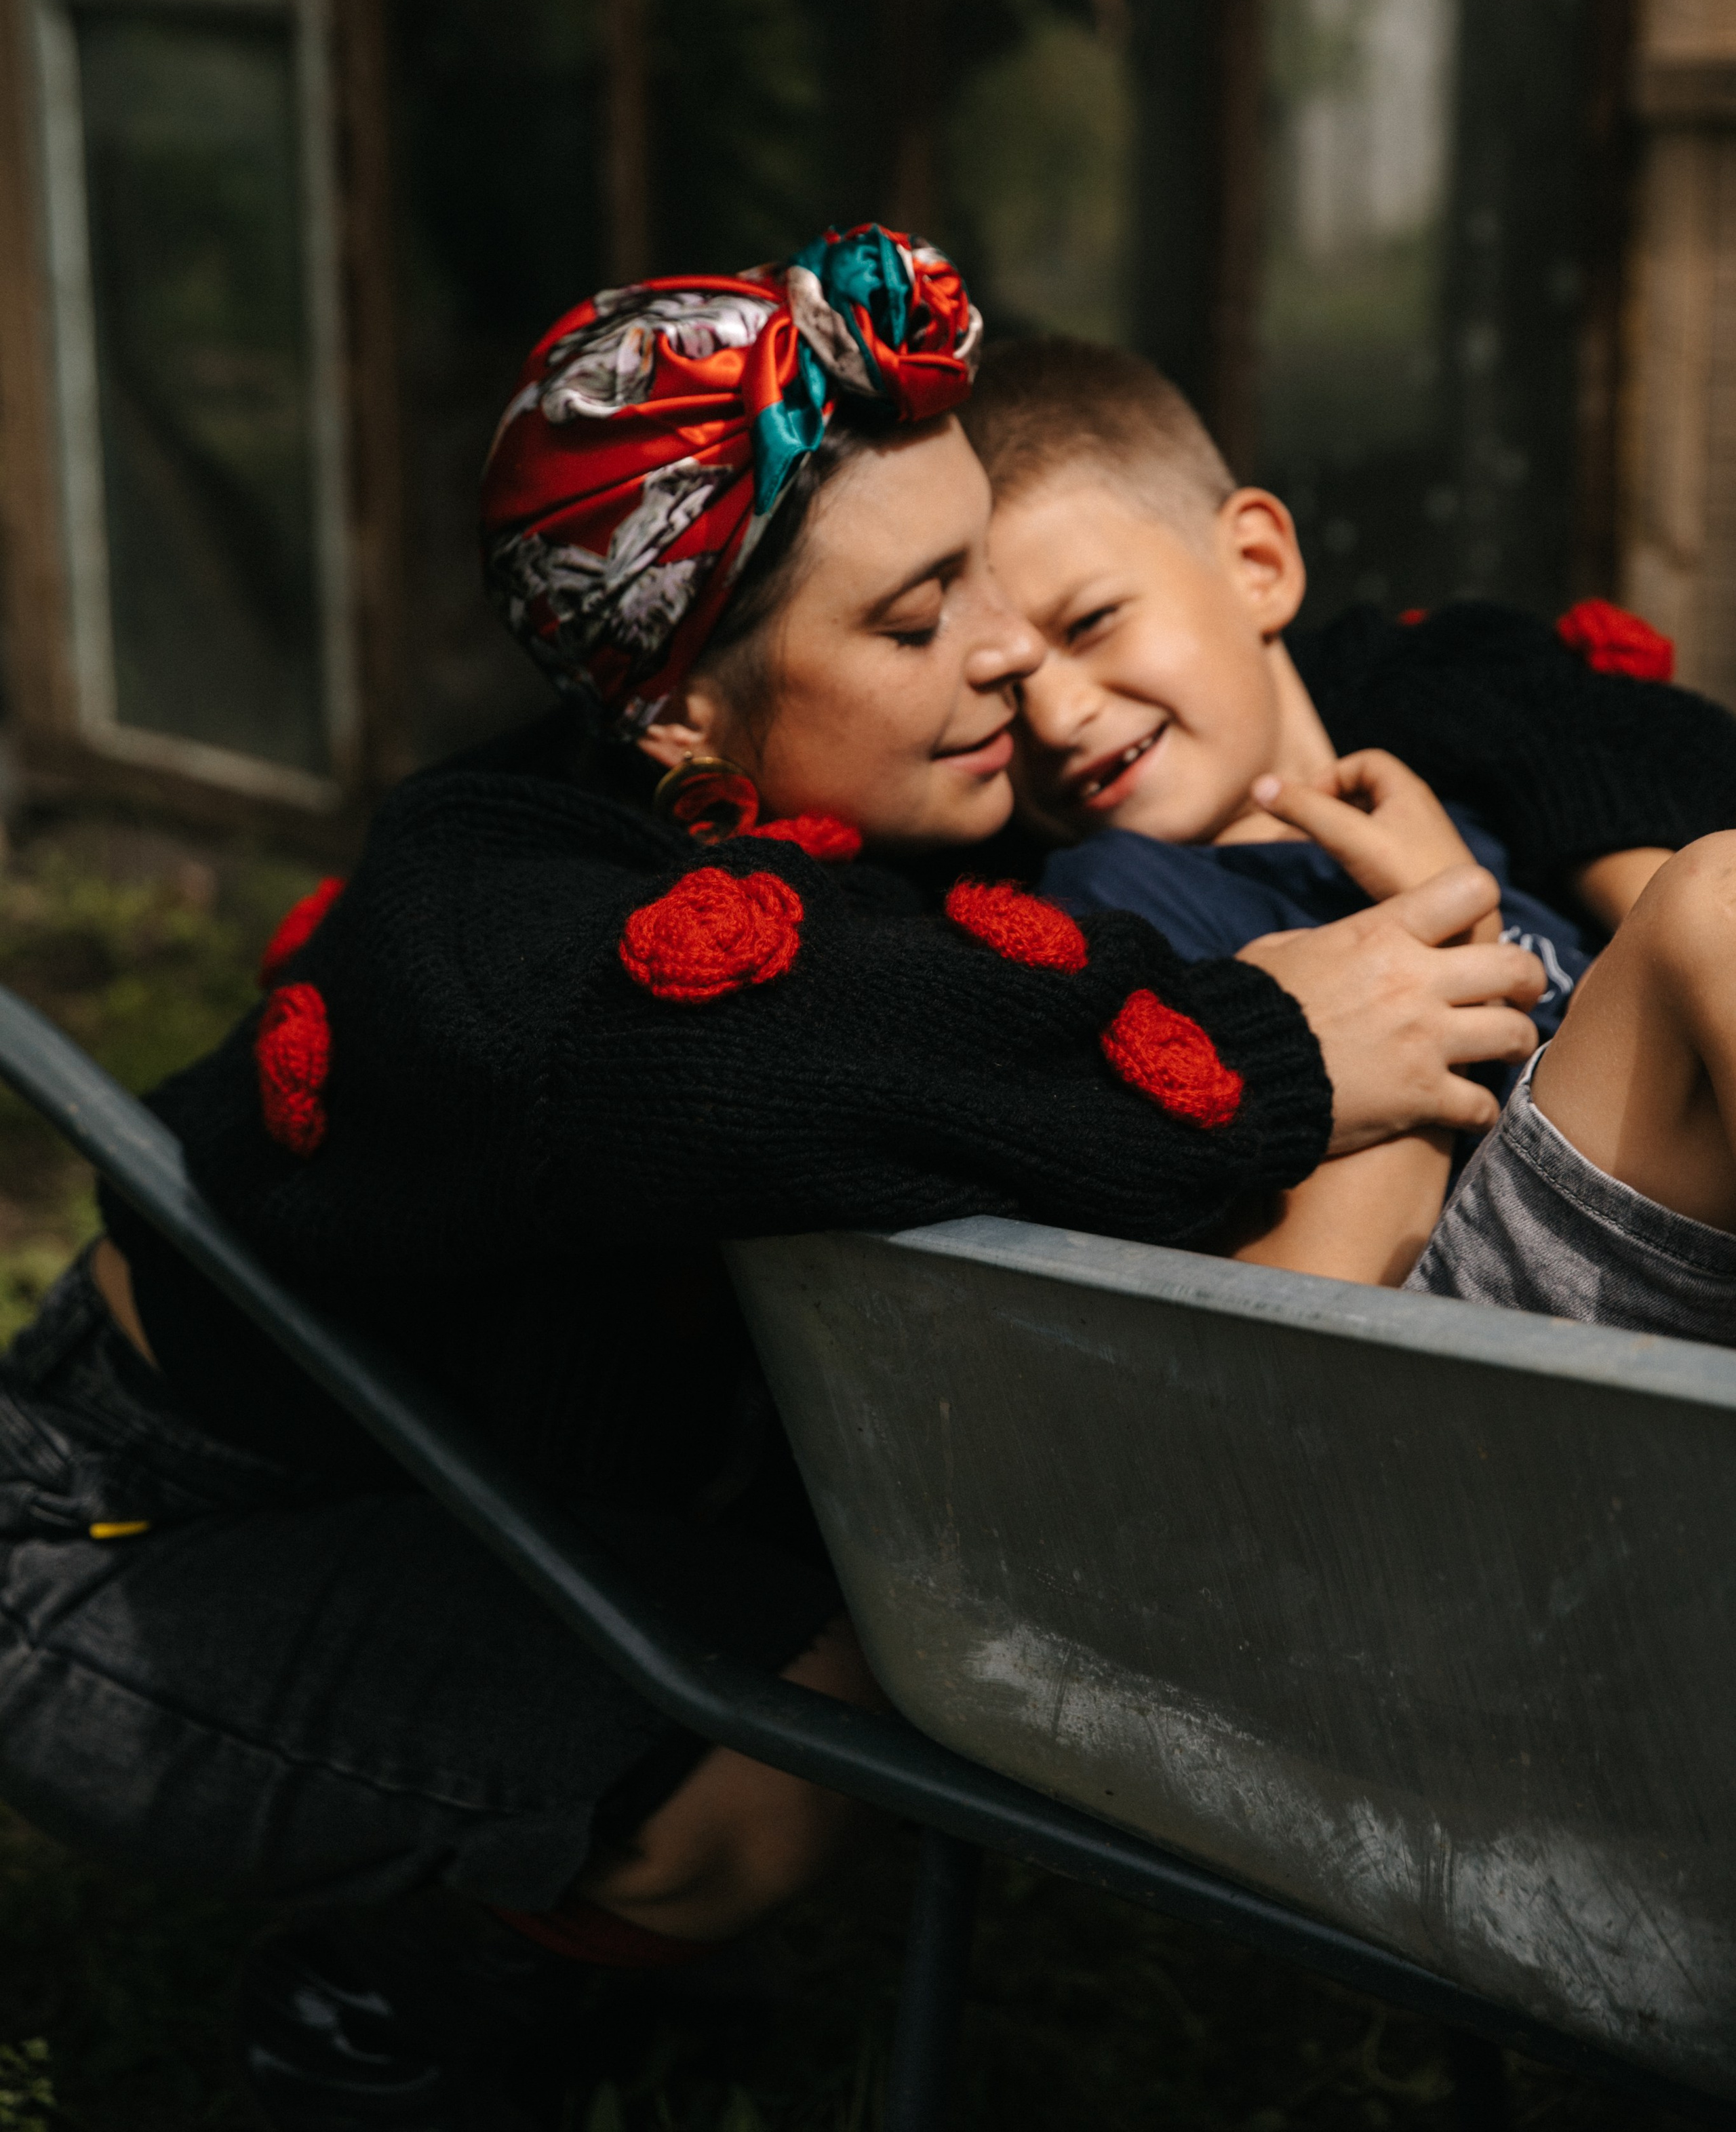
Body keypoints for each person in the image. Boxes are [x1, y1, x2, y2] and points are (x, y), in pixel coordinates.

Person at [0, 234, 1541, 2129]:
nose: (1005, 652)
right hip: (134, 1543)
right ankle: (390, 2013)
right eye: (915, 622)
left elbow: (1388, 657)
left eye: (984, 556)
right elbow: (740, 1044)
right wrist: (1271, 1052)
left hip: (464, 1472)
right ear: (680, 724)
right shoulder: (496, 936)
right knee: (780, 1768)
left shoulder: (880, 765)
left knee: (857, 1624)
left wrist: (1638, 814)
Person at [969, 332, 1736, 1318]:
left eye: (1091, 624)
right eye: (1007, 687)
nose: (1058, 715)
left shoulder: (1456, 782)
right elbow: (1300, 1313)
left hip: (1652, 1233)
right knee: (1713, 901)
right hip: (1446, 1328)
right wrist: (1438, 932)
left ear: (1257, 563)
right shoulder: (1108, 901)